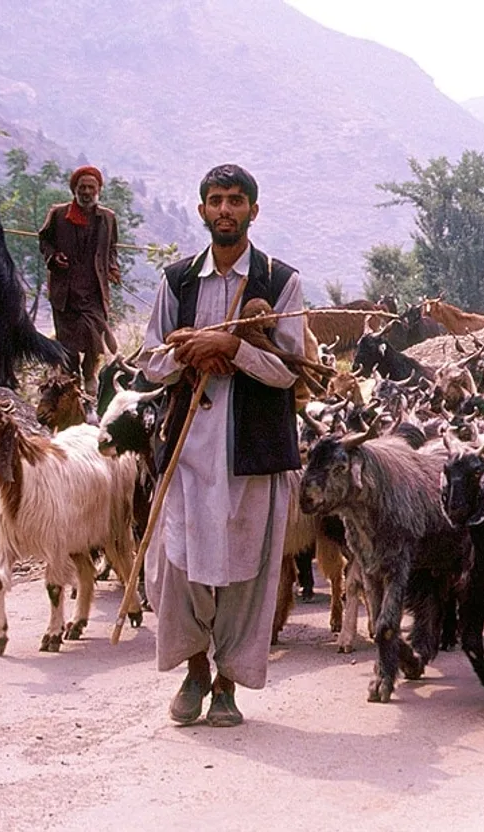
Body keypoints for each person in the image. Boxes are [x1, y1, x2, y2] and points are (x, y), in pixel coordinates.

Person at [138, 164, 304, 727]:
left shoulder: (280, 281)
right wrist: (188, 351)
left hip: (250, 452)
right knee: (177, 568)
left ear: (254, 211)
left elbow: (288, 372)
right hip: (185, 450)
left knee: (245, 572)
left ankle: (229, 684)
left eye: (236, 200)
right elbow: (149, 360)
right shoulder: (178, 280)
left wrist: (231, 350)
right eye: (216, 200)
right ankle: (193, 672)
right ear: (202, 209)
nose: (226, 210)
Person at [38, 165, 122, 394]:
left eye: (90, 187)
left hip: (94, 290)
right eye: (82, 187)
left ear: (98, 190)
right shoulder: (58, 214)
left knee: (95, 335)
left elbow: (111, 249)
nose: (86, 191)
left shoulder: (108, 218)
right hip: (65, 291)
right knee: (68, 343)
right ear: (74, 189)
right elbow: (44, 241)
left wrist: (113, 267)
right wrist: (54, 258)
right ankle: (71, 380)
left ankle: (90, 375)